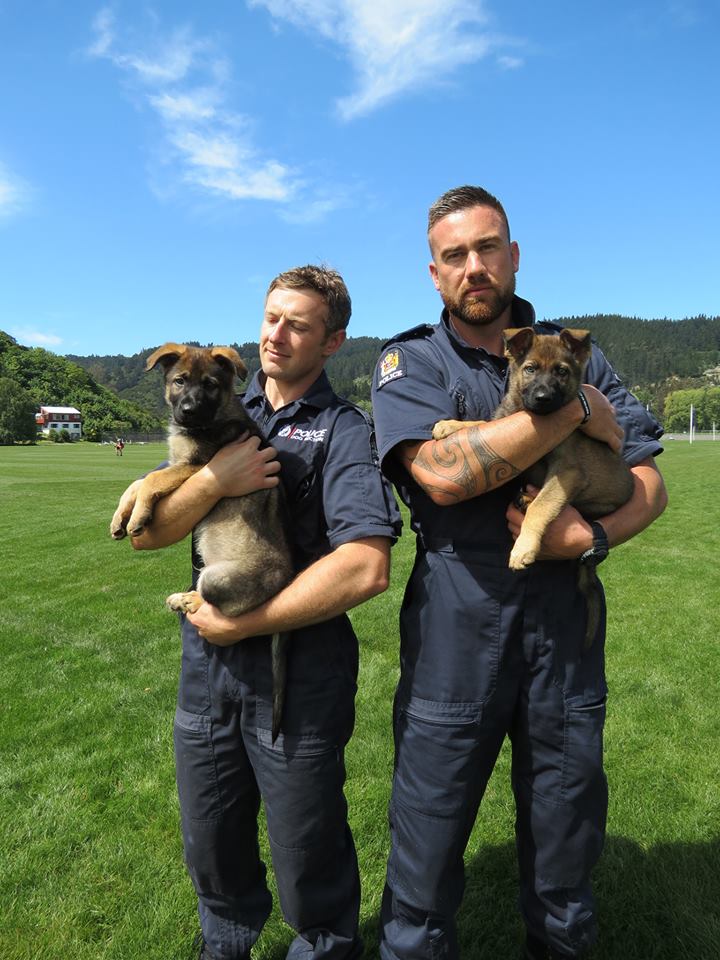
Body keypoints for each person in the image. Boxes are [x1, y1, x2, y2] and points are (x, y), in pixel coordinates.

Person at [370, 186, 667, 960]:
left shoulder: (579, 351)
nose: (475, 267)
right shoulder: (412, 359)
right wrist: (569, 414)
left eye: (488, 248)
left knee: (565, 856)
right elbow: (438, 475)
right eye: (456, 255)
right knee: (425, 856)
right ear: (434, 272)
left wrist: (591, 537)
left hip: (563, 625)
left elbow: (650, 485)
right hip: (454, 627)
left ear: (513, 255)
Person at [129, 265, 402, 960]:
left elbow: (368, 565)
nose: (276, 336)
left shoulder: (343, 430)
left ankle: (325, 948)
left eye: (299, 324)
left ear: (333, 340)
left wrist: (247, 622)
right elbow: (146, 533)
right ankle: (224, 949)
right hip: (207, 668)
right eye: (271, 317)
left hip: (300, 671)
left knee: (306, 848)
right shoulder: (225, 407)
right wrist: (216, 479)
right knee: (212, 842)